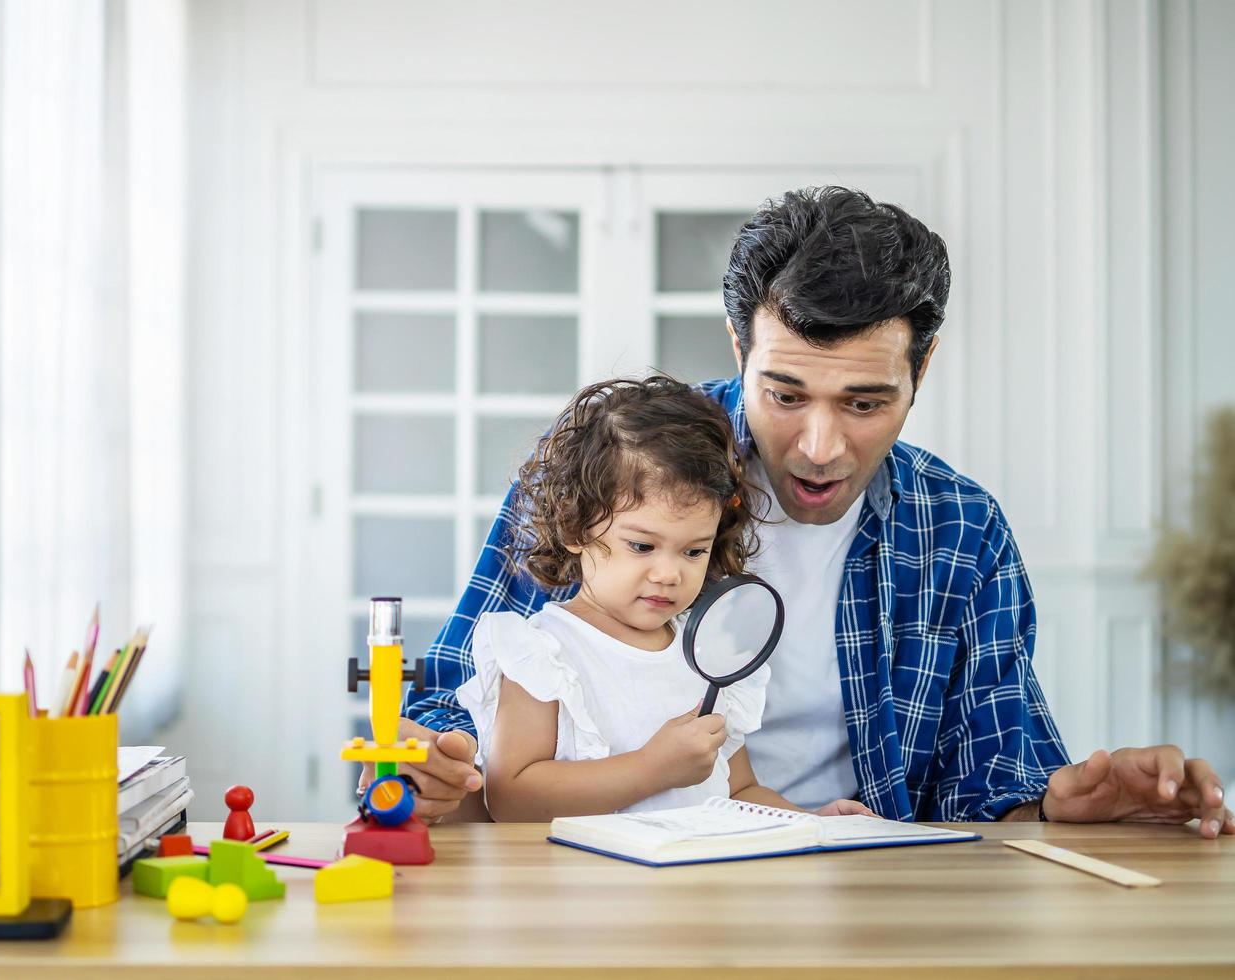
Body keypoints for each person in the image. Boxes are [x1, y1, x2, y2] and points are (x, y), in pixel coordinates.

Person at [375, 186, 1233, 838]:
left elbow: (992, 775)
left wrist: (1062, 802)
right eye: (785, 393)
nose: (820, 446)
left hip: (847, 885)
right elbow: (460, 703)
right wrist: (439, 769)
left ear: (920, 371)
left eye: (865, 403)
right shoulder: (604, 478)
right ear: (738, 344)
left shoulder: (962, 531)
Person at [456, 376, 873, 820]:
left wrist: (812, 823)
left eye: (694, 550)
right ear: (576, 528)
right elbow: (511, 797)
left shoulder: (708, 656)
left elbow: (741, 790)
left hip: (694, 887)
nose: (669, 574)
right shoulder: (544, 653)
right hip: (588, 885)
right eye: (642, 546)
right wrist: (651, 768)